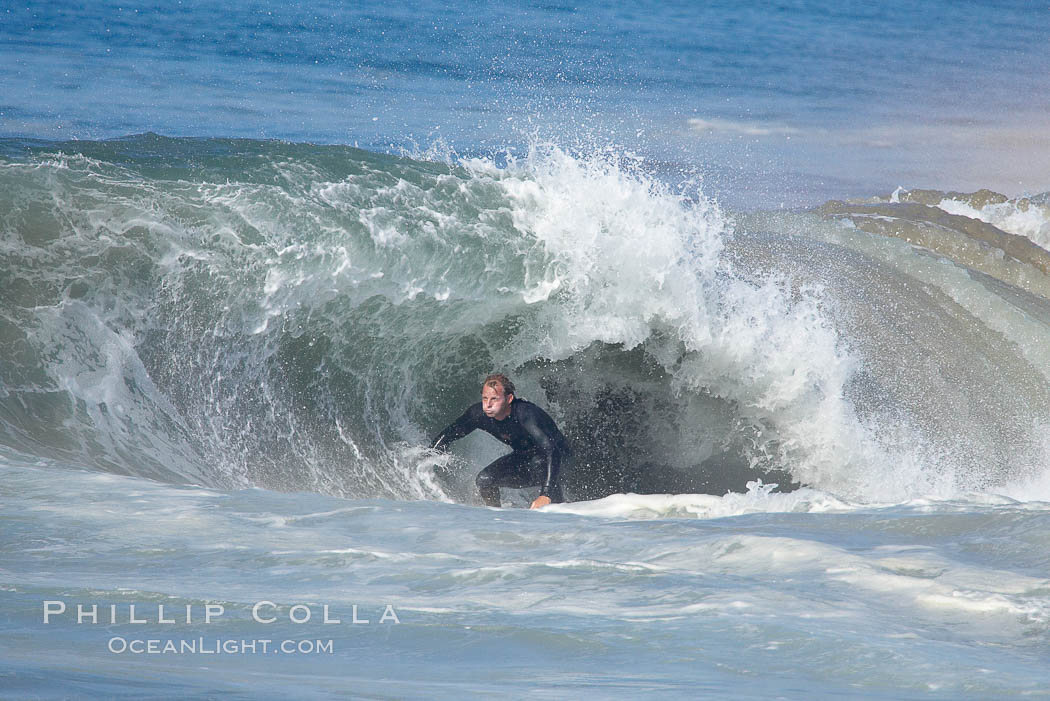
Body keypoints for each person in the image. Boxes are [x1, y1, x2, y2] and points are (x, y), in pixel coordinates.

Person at [430, 373, 572, 509]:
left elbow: (552, 450)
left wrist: (545, 494)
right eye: (485, 398)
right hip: (525, 457)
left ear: (509, 399)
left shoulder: (525, 414)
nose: (488, 405)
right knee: (484, 480)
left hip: (559, 459)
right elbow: (449, 434)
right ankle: (496, 517)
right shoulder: (478, 414)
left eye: (494, 399)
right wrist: (430, 455)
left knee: (540, 465)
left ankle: (558, 511)